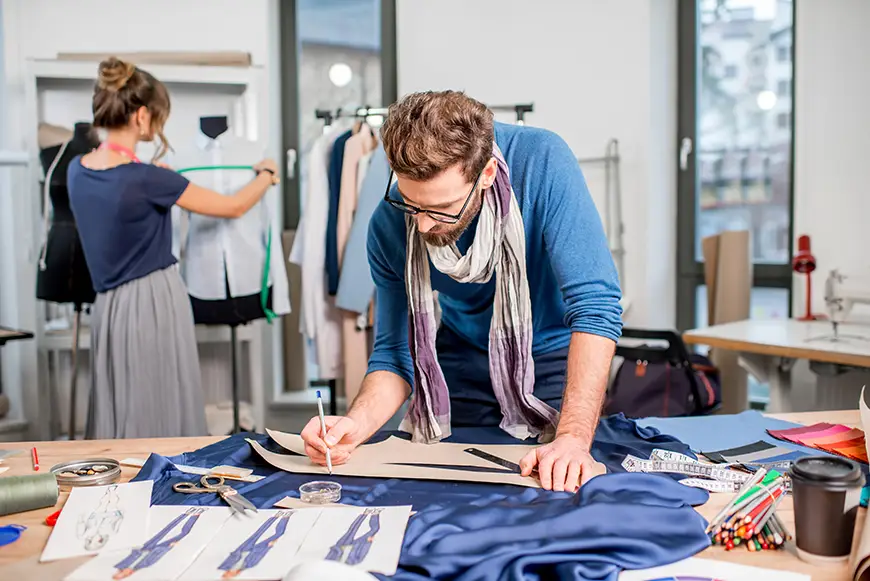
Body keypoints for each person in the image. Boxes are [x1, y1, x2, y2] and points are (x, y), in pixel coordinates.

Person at [302, 91, 623, 492]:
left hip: (553, 354)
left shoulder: (542, 162)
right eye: (411, 204)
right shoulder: (389, 226)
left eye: (441, 209)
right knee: (456, 489)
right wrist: (356, 424)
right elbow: (395, 351)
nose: (421, 227)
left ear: (486, 175)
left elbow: (596, 307)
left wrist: (573, 439)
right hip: (461, 354)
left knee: (554, 487)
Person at [68, 57, 280, 439]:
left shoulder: (77, 169)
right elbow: (232, 207)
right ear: (143, 116)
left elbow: (116, 206)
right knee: (159, 403)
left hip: (107, 306)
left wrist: (154, 181)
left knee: (124, 402)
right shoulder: (147, 179)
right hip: (152, 300)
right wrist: (266, 175)